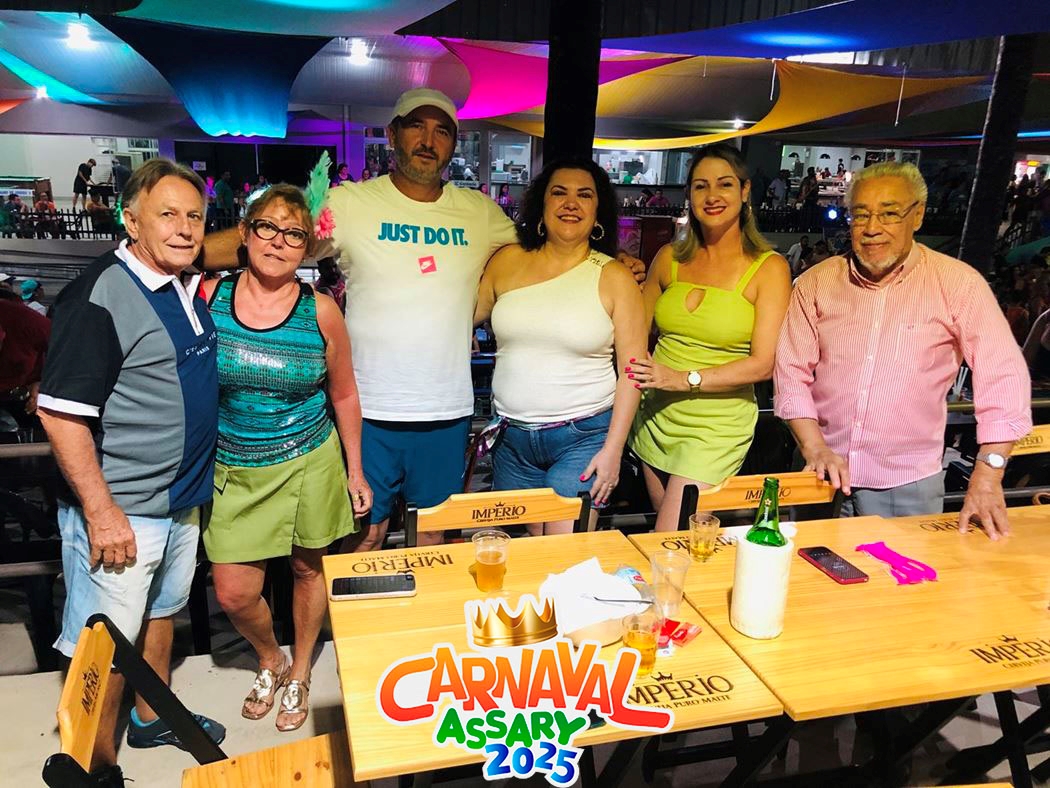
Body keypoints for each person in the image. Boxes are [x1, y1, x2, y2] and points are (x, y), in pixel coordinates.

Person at [202, 88, 646, 553]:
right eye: (416, 126)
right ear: (392, 134)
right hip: (368, 409)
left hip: (445, 413)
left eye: (442, 131)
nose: (428, 140)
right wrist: (187, 252)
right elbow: (271, 233)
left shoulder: (480, 214)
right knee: (364, 535)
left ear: (454, 144)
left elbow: (550, 247)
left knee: (434, 538)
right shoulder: (349, 202)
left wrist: (610, 261)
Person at [36, 159, 225, 781]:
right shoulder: (99, 297)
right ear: (131, 220)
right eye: (166, 214)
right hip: (124, 510)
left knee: (161, 613)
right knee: (104, 648)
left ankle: (149, 718)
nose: (184, 227)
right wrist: (101, 511)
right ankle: (94, 766)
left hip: (178, 500)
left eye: (194, 215)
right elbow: (61, 415)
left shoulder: (177, 280)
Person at [774, 161, 1032, 537]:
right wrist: (814, 447)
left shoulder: (959, 284)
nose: (872, 228)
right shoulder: (816, 283)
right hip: (817, 474)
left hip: (907, 485)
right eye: (861, 214)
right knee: (802, 572)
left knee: (901, 576)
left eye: (889, 213)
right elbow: (790, 372)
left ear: (918, 215)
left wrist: (989, 472)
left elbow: (1004, 376)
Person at [202, 184, 369, 732]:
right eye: (267, 227)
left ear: (308, 247)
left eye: (294, 233)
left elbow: (344, 394)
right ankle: (269, 655)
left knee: (306, 569)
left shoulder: (321, 310)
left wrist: (355, 470)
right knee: (234, 592)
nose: (278, 241)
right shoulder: (210, 297)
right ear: (245, 233)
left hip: (308, 458)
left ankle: (299, 670)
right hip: (234, 463)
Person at [474, 158, 647, 533]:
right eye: (559, 193)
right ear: (541, 204)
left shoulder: (615, 277)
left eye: (584, 195)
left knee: (562, 553)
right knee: (519, 553)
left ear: (598, 211)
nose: (571, 203)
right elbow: (461, 318)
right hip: (511, 441)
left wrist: (614, 450)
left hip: (584, 438)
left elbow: (634, 372)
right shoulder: (506, 262)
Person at [628, 143, 791, 532]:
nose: (712, 196)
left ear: (745, 191)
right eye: (701, 186)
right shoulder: (668, 257)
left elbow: (763, 364)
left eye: (724, 184)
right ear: (689, 194)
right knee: (669, 546)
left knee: (668, 539)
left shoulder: (769, 268)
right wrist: (616, 273)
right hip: (654, 418)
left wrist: (683, 378)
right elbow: (634, 330)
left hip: (714, 429)